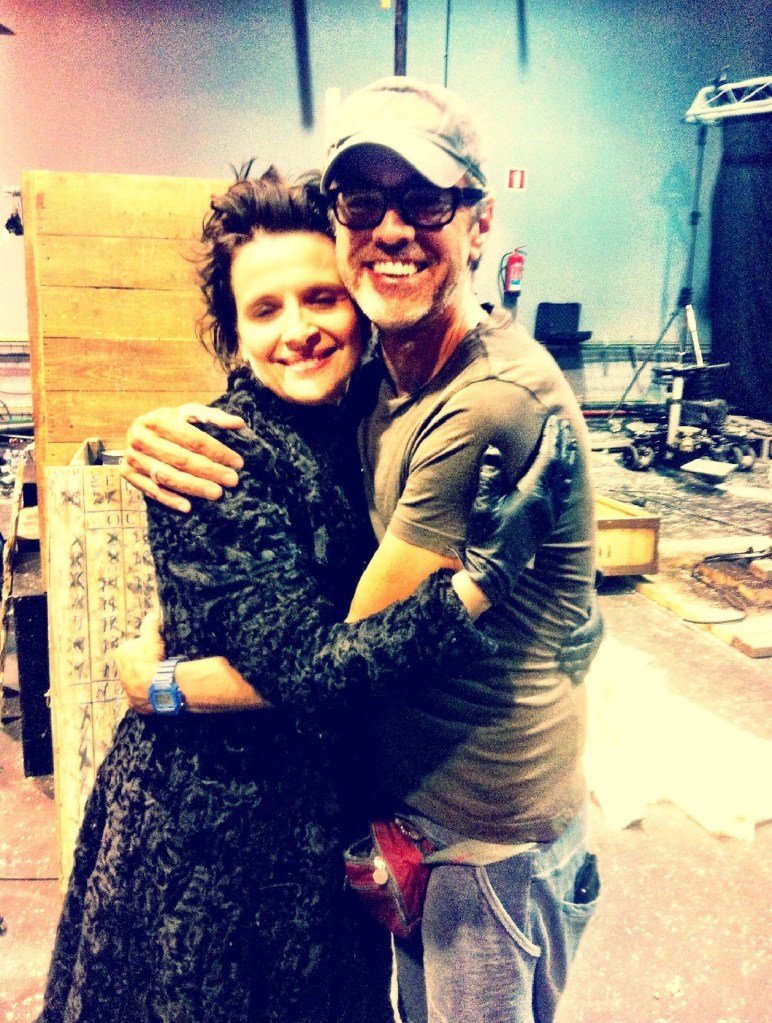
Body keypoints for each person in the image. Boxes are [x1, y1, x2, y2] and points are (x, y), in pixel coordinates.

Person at [38, 165, 574, 1023]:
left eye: (321, 297)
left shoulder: (369, 418)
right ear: (234, 333)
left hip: (326, 832)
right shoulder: (216, 462)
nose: (298, 330)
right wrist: (476, 588)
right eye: (265, 309)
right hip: (215, 847)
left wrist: (163, 682)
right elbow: (310, 668)